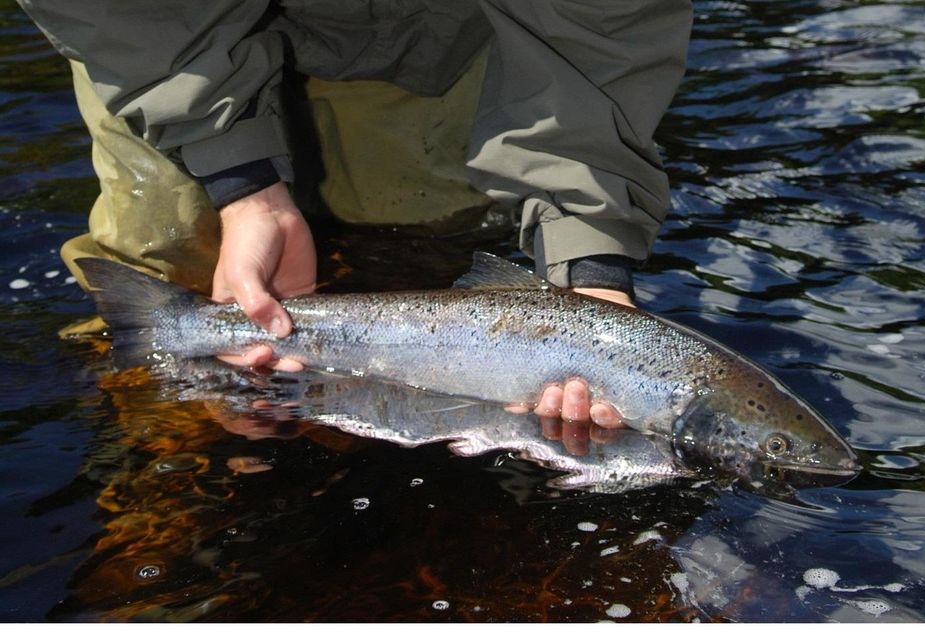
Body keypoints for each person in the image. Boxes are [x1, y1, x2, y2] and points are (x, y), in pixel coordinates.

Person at [19, 1, 692, 453]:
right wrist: (240, 183)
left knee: (421, 258)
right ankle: (152, 493)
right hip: (153, 34)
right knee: (167, 366)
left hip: (432, 34)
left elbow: (606, 28)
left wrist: (590, 261)